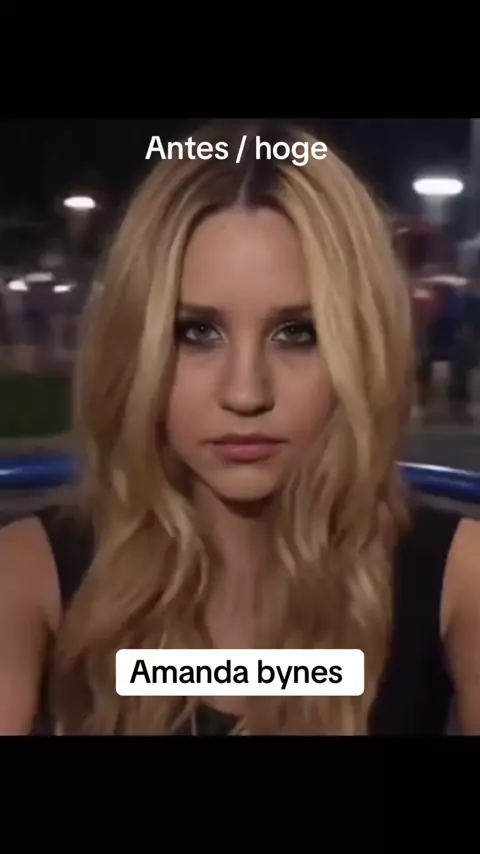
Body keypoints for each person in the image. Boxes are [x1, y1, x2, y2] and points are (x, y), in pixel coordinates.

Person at [1, 119, 480, 736]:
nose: (245, 393)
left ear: (361, 347)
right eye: (197, 332)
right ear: (136, 344)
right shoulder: (26, 573)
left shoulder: (460, 576)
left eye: (298, 333)